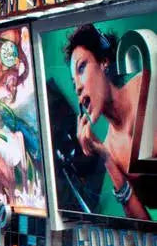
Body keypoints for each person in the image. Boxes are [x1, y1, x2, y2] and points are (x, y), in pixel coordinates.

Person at [65, 23, 157, 221]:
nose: (78, 88)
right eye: (73, 83)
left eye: (82, 68)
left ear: (104, 62)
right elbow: (143, 225)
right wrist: (106, 158)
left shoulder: (150, 88)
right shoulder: (110, 149)